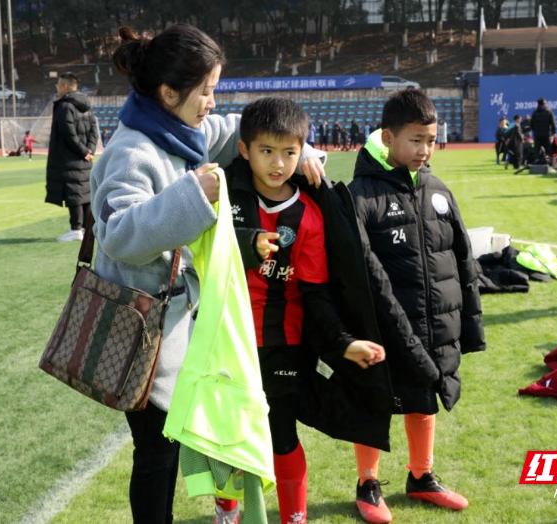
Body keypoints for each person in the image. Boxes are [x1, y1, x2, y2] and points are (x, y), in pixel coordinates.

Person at [90, 25, 325, 524]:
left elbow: (240, 127)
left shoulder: (183, 129)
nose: (212, 103)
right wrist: (194, 195)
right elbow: (118, 233)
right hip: (142, 333)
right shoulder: (131, 152)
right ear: (169, 93)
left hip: (178, 328)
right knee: (156, 454)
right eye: (206, 91)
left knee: (174, 446)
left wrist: (293, 148)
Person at [223, 96, 386, 524]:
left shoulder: (309, 215)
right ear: (244, 150)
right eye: (266, 151)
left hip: (283, 345)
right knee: (227, 436)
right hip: (226, 340)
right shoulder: (223, 192)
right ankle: (228, 511)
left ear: (303, 151)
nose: (278, 163)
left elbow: (316, 295)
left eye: (289, 152)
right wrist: (246, 244)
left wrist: (342, 343)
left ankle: (294, 517)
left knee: (281, 433)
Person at [348, 89, 484, 523]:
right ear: (388, 138)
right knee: (375, 403)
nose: (425, 150)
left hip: (435, 327)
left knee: (425, 397)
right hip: (384, 331)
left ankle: (421, 477)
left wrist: (469, 327)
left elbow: (463, 261)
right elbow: (360, 272)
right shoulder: (360, 195)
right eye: (415, 140)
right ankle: (367, 483)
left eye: (431, 140)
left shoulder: (438, 190)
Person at [45, 72, 99, 241]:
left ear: (65, 86)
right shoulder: (86, 106)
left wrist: (83, 151)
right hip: (84, 158)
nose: (57, 88)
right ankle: (88, 228)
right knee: (84, 193)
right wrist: (89, 150)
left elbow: (68, 134)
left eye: (58, 85)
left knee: (74, 192)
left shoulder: (64, 106)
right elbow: (94, 131)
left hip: (69, 158)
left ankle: (76, 229)